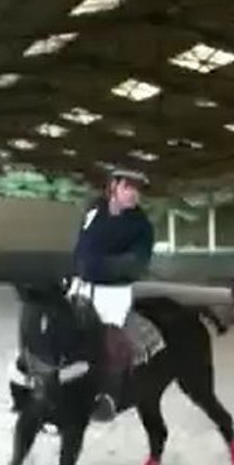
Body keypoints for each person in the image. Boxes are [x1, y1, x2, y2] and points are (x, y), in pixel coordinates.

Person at [71, 169, 154, 422]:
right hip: (82, 285)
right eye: (128, 187)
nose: (133, 194)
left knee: (110, 341)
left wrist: (99, 267)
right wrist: (77, 268)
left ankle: (108, 395)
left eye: (137, 189)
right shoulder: (95, 211)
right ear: (114, 186)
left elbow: (136, 262)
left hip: (114, 293)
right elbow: (82, 244)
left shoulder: (141, 226)